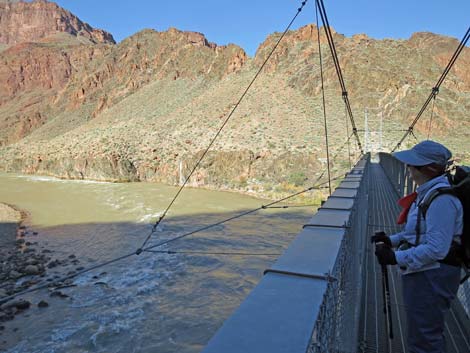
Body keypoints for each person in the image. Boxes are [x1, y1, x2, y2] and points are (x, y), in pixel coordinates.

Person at [372, 140, 464, 353]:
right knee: (423, 331)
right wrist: (391, 240)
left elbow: (436, 249)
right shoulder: (428, 193)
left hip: (433, 275)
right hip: (425, 272)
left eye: (412, 165)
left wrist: (395, 258)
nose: (408, 168)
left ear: (429, 169)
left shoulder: (442, 201)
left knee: (425, 338)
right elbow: (420, 232)